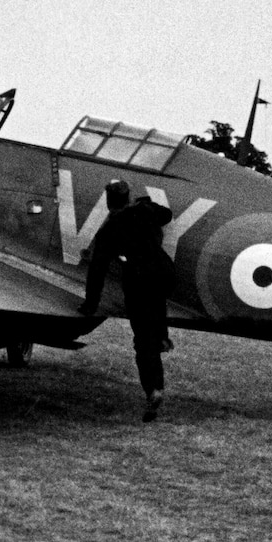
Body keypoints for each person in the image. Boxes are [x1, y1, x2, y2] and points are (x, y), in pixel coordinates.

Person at [79, 178, 175, 421]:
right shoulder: (146, 210)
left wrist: (90, 304)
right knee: (156, 317)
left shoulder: (111, 228)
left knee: (143, 342)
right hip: (162, 274)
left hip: (139, 281)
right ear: (128, 196)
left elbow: (97, 270)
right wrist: (144, 204)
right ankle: (162, 337)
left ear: (109, 201)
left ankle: (153, 389)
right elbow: (167, 214)